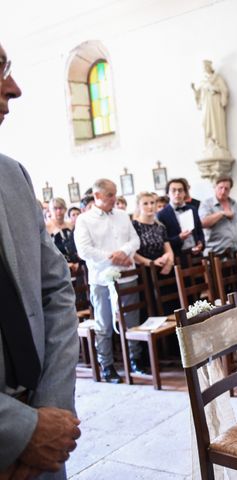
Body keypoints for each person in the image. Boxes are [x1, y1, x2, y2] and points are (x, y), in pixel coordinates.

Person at [0, 43, 81, 479]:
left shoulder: (11, 175)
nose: (14, 89)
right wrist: (18, 431)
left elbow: (55, 291)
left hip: (44, 441)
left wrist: (50, 411)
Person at [74, 178, 147, 383]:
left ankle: (135, 360)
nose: (114, 198)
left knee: (131, 321)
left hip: (127, 274)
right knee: (104, 324)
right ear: (97, 196)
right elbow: (84, 250)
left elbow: (135, 240)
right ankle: (106, 365)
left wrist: (123, 252)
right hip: (101, 279)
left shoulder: (123, 216)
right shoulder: (84, 220)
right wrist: (111, 257)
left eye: (115, 194)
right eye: (110, 195)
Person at [157, 178, 204, 265]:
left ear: (185, 193)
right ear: (167, 193)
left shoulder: (192, 209)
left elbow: (200, 231)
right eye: (173, 190)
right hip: (178, 259)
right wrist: (179, 238)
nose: (177, 193)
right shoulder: (161, 215)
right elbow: (162, 242)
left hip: (196, 256)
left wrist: (201, 244)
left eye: (180, 190)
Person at [198, 176, 237, 255]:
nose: (223, 191)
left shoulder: (234, 203)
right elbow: (203, 223)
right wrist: (222, 213)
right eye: (220, 188)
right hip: (217, 253)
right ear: (215, 187)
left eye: (226, 189)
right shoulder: (207, 203)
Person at [191, 59, 230, 154]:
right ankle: (209, 143)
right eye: (203, 68)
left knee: (215, 122)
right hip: (206, 105)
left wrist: (216, 89)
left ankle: (218, 144)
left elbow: (224, 90)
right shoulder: (202, 81)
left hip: (215, 104)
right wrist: (194, 91)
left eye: (205, 67)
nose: (204, 69)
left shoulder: (217, 78)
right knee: (205, 123)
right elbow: (199, 95)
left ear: (209, 67)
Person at [132, 192, 174, 275]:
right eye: (145, 204)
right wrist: (152, 263)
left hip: (162, 268)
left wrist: (169, 262)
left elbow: (168, 249)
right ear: (139, 207)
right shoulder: (134, 226)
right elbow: (132, 253)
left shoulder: (160, 226)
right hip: (144, 271)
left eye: (152, 203)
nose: (150, 206)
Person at [46, 197, 80, 274]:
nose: (58, 211)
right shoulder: (46, 228)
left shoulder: (71, 225)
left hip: (76, 264)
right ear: (50, 210)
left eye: (61, 208)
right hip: (56, 266)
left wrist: (77, 260)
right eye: (55, 208)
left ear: (65, 209)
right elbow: (47, 252)